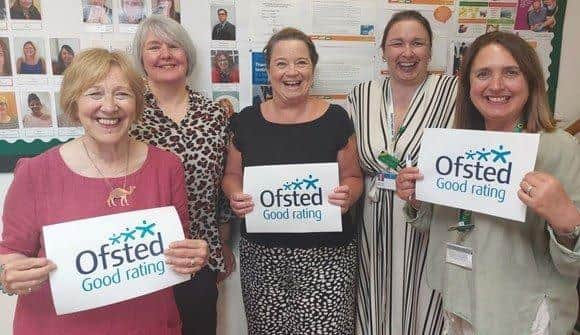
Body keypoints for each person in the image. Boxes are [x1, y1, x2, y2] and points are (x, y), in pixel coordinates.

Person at [0, 48, 210, 334]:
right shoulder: (35, 173)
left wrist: (193, 256)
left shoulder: (167, 166)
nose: (109, 106)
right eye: (95, 94)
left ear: (136, 103)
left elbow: (177, 249)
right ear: (74, 103)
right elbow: (10, 253)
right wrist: (8, 274)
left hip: (148, 325)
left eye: (122, 94)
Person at [396, 31, 580, 335]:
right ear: (468, 86)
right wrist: (418, 199)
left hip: (522, 313)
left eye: (510, 72)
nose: (496, 86)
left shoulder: (558, 147)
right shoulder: (456, 146)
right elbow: (443, 226)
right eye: (483, 74)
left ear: (531, 81)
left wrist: (567, 222)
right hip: (459, 301)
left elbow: (572, 262)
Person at [222, 27, 364, 334]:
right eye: (281, 63)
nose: (292, 72)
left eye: (301, 63)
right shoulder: (245, 122)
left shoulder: (336, 119)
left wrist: (348, 196)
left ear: (313, 68)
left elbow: (353, 176)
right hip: (263, 258)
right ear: (268, 69)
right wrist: (235, 195)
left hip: (328, 256)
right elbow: (232, 175)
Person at [346, 10, 457, 335]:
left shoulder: (454, 93)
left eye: (417, 43)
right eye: (397, 43)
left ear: (430, 49)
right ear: (383, 50)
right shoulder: (361, 95)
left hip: (428, 222)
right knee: (375, 307)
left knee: (424, 306)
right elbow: (348, 160)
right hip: (372, 222)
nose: (407, 53)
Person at [130, 15, 235, 335]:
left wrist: (223, 245)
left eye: (174, 46)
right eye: (154, 47)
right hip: (140, 257)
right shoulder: (127, 113)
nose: (165, 54)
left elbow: (222, 185)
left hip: (199, 256)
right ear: (141, 59)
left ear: (187, 55)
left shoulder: (215, 114)